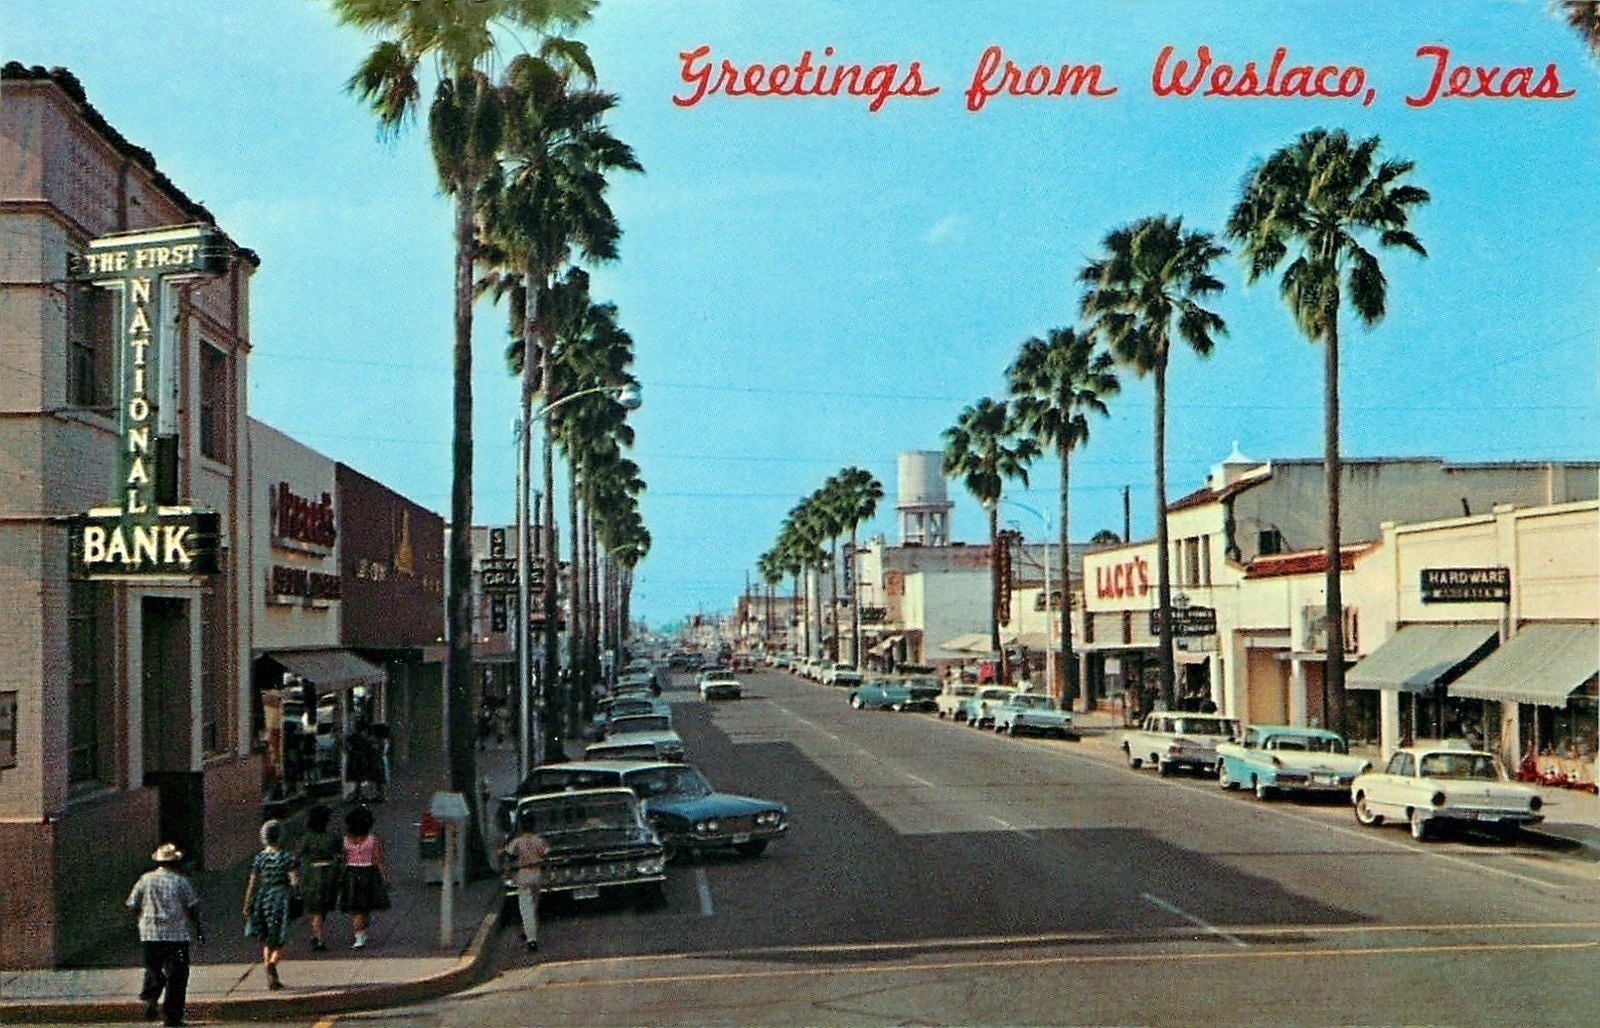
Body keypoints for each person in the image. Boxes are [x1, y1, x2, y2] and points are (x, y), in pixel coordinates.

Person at [127, 843, 203, 1027]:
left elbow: (132, 903)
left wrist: (140, 921)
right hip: (176, 935)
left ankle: (151, 998)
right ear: (175, 862)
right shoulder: (180, 881)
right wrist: (198, 930)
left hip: (150, 934)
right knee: (177, 976)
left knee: (154, 969)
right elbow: (192, 907)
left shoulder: (145, 880)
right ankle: (172, 1017)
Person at [243, 819, 299, 990]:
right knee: (281, 935)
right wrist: (296, 896)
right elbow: (294, 881)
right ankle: (273, 963)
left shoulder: (259, 858)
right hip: (281, 897)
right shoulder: (286, 857)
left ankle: (269, 972)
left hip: (264, 896)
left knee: (267, 937)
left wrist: (247, 903)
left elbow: (252, 882)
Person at [338, 805, 390, 949]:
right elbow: (379, 860)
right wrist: (385, 878)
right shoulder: (372, 840)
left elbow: (343, 859)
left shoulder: (345, 841)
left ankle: (359, 935)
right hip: (368, 873)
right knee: (364, 906)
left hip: (351, 874)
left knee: (355, 908)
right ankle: (361, 932)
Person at [294, 804, 342, 951]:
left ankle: (318, 936)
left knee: (314, 908)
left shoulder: (306, 839)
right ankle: (317, 934)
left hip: (311, 874)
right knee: (323, 907)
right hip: (328, 873)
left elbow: (295, 858)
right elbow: (339, 855)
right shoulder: (332, 837)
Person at [501, 819, 549, 952]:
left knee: (525, 906)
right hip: (537, 872)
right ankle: (528, 931)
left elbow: (508, 855)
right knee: (534, 904)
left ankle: (531, 939)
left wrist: (507, 872)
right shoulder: (538, 840)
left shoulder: (517, 841)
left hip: (523, 872)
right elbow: (546, 856)